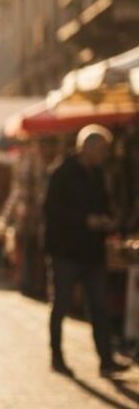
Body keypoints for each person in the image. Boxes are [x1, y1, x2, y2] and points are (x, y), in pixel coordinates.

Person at [44, 124, 130, 378]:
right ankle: (57, 357)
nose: (106, 154)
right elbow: (52, 211)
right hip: (65, 251)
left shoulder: (97, 174)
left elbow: (104, 204)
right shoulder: (62, 173)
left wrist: (107, 221)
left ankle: (106, 361)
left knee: (99, 307)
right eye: (102, 149)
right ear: (88, 148)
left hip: (92, 251)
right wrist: (85, 220)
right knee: (61, 305)